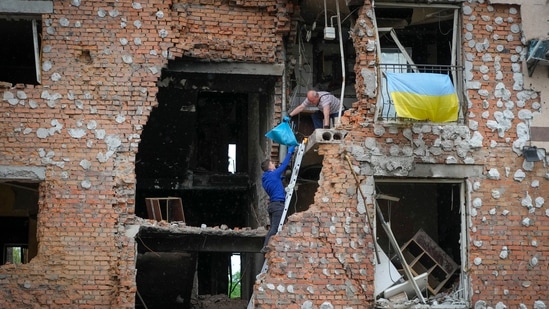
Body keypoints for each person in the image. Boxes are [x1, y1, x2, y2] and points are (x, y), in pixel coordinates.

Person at [260, 145, 296, 253]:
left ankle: (270, 245)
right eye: (272, 163)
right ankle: (266, 247)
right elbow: (284, 165)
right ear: (269, 167)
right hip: (277, 205)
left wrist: (282, 178)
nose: (274, 164)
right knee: (275, 228)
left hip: (272, 206)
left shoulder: (266, 178)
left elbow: (275, 180)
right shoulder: (273, 174)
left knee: (273, 228)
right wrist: (289, 152)